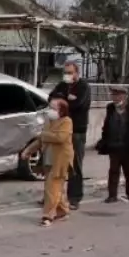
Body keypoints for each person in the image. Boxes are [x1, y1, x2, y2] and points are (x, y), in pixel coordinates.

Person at [21, 97, 74, 228]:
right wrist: (27, 151)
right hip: (48, 159)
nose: (50, 110)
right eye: (49, 107)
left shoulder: (66, 121)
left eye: (53, 108)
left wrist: (43, 134)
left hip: (60, 160)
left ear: (61, 110)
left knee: (51, 188)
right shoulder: (48, 122)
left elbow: (60, 137)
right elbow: (40, 141)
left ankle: (48, 216)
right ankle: (63, 211)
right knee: (56, 188)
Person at [96, 84, 129, 204]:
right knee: (113, 171)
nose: (114, 97)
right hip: (114, 145)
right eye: (113, 95)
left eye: (117, 95)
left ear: (124, 96)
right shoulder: (110, 107)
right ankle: (112, 195)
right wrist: (104, 140)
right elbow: (107, 125)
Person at [48, 60, 91, 210]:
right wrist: (66, 99)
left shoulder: (83, 87)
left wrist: (62, 101)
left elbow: (78, 105)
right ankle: (52, 196)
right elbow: (51, 99)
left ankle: (74, 198)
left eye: (70, 72)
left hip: (77, 131)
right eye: (65, 72)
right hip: (60, 129)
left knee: (75, 165)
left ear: (77, 73)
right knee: (56, 165)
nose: (67, 75)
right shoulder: (62, 85)